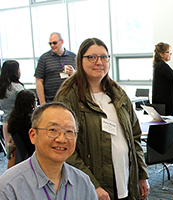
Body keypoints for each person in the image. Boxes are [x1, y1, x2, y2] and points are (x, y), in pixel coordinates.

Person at [54, 38, 149, 200]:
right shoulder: (67, 96)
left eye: (104, 57)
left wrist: (141, 174)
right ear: (80, 60)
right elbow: (64, 147)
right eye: (92, 57)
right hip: (93, 186)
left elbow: (134, 136)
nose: (99, 62)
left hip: (125, 179)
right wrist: (92, 184)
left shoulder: (117, 92)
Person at [0, 102, 97, 199]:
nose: (61, 139)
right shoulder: (10, 186)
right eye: (53, 130)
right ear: (33, 135)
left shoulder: (83, 183)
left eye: (69, 131)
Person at [35, 32, 76, 105]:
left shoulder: (73, 56)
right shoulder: (44, 58)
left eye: (54, 43)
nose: (52, 45)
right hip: (51, 100)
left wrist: (74, 72)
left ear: (62, 41)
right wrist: (42, 102)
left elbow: (81, 75)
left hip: (71, 99)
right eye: (50, 43)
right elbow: (39, 81)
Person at [7, 89, 37, 164]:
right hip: (32, 154)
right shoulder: (31, 121)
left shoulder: (12, 119)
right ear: (31, 104)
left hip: (21, 155)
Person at [0, 60, 24, 149]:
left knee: (10, 150)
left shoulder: (2, 87)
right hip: (18, 123)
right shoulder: (17, 88)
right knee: (19, 151)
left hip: (6, 121)